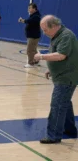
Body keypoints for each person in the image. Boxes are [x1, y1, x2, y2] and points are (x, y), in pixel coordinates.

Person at [34, 15, 78, 144]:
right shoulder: (58, 35)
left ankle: (53, 135)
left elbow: (61, 55)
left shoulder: (66, 36)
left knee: (57, 105)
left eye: (45, 30)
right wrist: (51, 69)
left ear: (54, 26)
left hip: (67, 77)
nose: (44, 33)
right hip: (62, 74)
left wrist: (42, 57)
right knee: (64, 103)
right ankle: (70, 130)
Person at [18, 3, 41, 68]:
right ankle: (36, 61)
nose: (28, 9)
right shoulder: (33, 15)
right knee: (34, 49)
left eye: (30, 8)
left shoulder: (36, 16)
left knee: (30, 50)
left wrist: (22, 20)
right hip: (32, 36)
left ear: (34, 9)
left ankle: (31, 63)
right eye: (28, 8)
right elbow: (28, 22)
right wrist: (23, 21)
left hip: (33, 36)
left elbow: (29, 21)